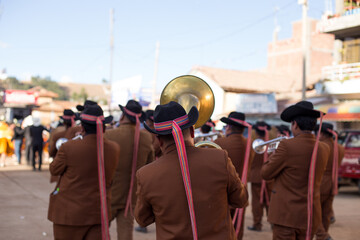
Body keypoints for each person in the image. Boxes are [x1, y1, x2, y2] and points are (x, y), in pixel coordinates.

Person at [135, 101, 248, 239]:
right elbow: (240, 200)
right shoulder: (220, 157)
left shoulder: (146, 174)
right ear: (192, 131)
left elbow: (142, 219)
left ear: (159, 140)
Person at [48, 104, 120, 240]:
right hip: (98, 213)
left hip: (69, 215)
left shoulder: (68, 147)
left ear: (82, 127)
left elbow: (54, 169)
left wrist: (75, 141)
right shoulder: (114, 148)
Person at [261, 101, 330, 240]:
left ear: (295, 124)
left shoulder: (286, 146)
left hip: (287, 216)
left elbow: (266, 173)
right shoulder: (324, 148)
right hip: (310, 215)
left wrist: (273, 153)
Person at [104, 99, 154, 240]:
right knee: (126, 234)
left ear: (122, 116)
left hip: (110, 193)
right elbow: (149, 166)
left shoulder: (109, 135)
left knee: (99, 231)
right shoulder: (146, 138)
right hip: (132, 196)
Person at [213, 111, 254, 240]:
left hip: (222, 194)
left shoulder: (220, 142)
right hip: (241, 192)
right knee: (237, 229)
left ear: (229, 127)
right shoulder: (250, 145)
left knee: (221, 230)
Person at [315, 123, 345, 240]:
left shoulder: (320, 147)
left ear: (321, 133)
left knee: (314, 213)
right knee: (326, 214)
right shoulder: (340, 148)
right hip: (333, 183)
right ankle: (323, 235)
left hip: (320, 182)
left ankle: (323, 235)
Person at [248, 121, 272, 232]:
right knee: (270, 201)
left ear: (256, 132)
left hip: (256, 176)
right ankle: (273, 223)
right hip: (269, 177)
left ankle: (257, 224)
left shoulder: (253, 144)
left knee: (257, 202)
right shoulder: (271, 144)